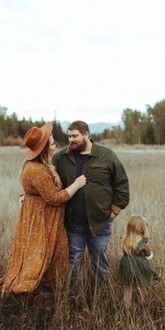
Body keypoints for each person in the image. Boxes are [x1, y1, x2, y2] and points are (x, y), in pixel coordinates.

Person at [0, 123, 86, 294]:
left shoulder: (42, 164)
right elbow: (54, 198)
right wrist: (76, 184)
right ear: (44, 149)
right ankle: (33, 295)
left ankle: (49, 296)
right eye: (52, 144)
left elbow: (37, 192)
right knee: (39, 258)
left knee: (52, 257)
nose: (55, 146)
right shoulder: (36, 169)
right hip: (43, 220)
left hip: (46, 217)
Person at [52, 120, 129, 284]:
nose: (71, 140)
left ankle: (104, 298)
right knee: (74, 262)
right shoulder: (61, 157)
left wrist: (114, 212)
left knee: (100, 262)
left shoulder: (107, 155)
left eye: (75, 136)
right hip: (73, 223)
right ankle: (73, 301)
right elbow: (45, 180)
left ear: (86, 135)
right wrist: (27, 195)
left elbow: (121, 184)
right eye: (69, 136)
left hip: (100, 222)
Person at [118, 215, 159, 309]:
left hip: (126, 265)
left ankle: (127, 308)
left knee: (128, 288)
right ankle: (144, 305)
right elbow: (149, 256)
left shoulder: (124, 239)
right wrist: (147, 255)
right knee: (141, 286)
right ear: (142, 228)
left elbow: (123, 253)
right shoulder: (143, 242)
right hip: (140, 266)